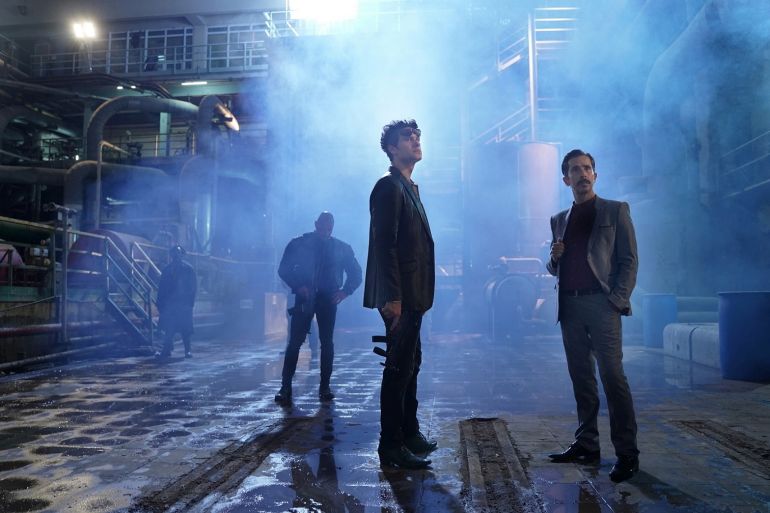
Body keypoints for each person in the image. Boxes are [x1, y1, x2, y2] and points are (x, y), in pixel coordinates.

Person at [546, 149, 640, 483]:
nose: (582, 174)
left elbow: (629, 260)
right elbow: (554, 267)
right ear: (566, 179)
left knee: (613, 377)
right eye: (575, 170)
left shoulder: (616, 210)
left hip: (602, 305)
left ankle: (627, 453)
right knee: (582, 378)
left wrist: (616, 300)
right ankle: (587, 444)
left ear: (595, 176)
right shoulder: (559, 219)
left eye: (587, 168)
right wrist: (554, 257)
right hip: (569, 307)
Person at [364, 119, 437, 470]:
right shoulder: (388, 186)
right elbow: (384, 245)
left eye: (417, 135)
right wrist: (392, 297)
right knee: (398, 369)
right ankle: (391, 444)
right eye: (408, 137)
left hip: (414, 294)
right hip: (401, 297)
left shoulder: (409, 187)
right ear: (392, 148)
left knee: (411, 364)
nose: (415, 139)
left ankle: (410, 432)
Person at [275, 212, 362, 403]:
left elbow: (356, 273)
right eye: (323, 226)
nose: (325, 230)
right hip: (304, 298)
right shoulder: (299, 244)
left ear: (332, 227)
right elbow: (283, 269)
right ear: (316, 224)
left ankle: (324, 387)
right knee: (295, 343)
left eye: (329, 227)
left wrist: (344, 292)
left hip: (327, 299)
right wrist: (298, 286)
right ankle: (285, 387)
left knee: (327, 343)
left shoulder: (341, 248)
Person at [156, 245, 197, 358]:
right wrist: (160, 302)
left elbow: (193, 287)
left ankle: (188, 351)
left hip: (183, 304)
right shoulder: (167, 270)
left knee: (185, 329)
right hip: (170, 304)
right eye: (174, 253)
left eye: (178, 253)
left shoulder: (188, 269)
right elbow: (162, 287)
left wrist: (190, 302)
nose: (176, 255)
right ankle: (166, 350)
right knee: (169, 328)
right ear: (171, 255)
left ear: (181, 254)